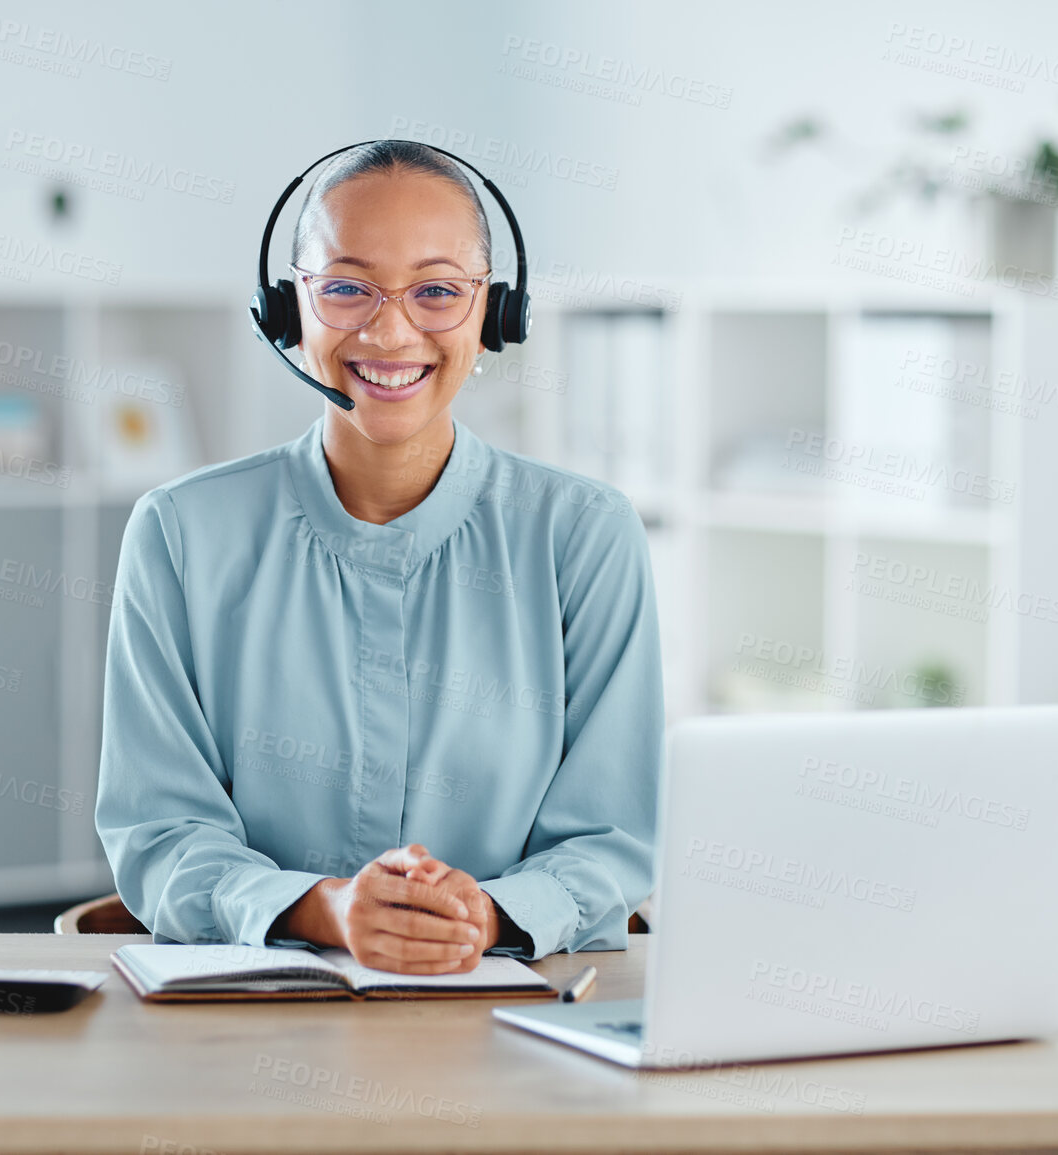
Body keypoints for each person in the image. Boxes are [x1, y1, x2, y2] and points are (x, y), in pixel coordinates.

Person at [96, 140, 663, 975]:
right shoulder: (180, 534)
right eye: (346, 288)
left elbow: (612, 839)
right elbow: (160, 835)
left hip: (514, 1022)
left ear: (496, 314)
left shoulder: (583, 535)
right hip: (253, 1028)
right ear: (285, 308)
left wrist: (485, 912)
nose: (389, 329)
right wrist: (327, 909)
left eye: (437, 290)